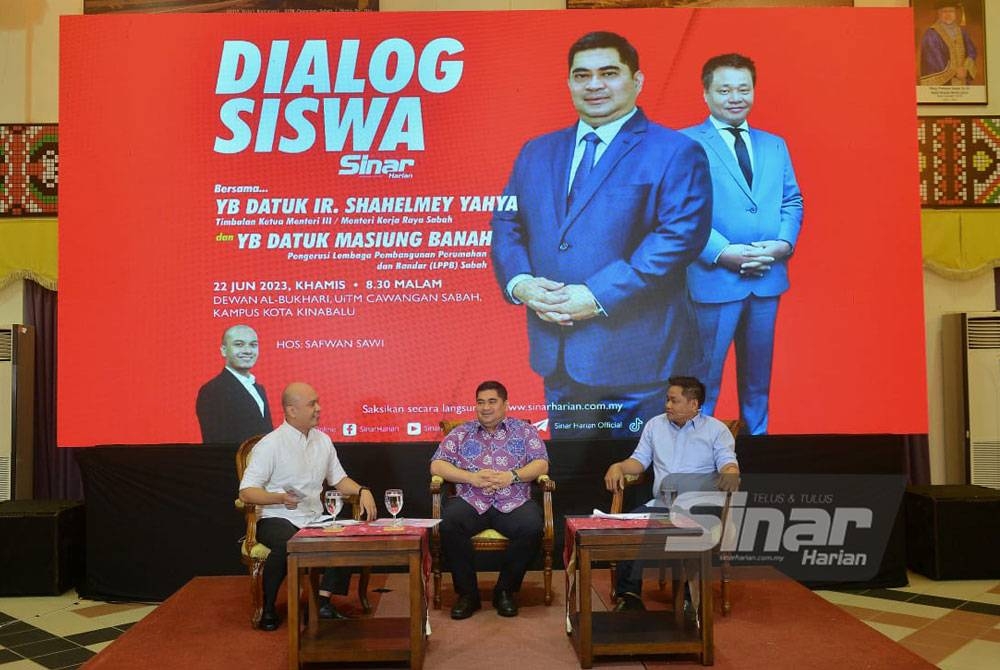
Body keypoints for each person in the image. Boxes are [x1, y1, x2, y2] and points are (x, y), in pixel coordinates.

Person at [490, 31, 712, 439]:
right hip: (558, 355)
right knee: (573, 488)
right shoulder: (535, 152)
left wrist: (594, 296)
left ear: (637, 81)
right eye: (582, 75)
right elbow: (507, 224)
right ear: (569, 83)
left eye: (609, 73)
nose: (594, 85)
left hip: (642, 364)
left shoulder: (676, 151)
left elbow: (679, 238)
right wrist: (522, 285)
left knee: (643, 492)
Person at [681, 53, 803, 436]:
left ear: (753, 90)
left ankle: (759, 455)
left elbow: (791, 201)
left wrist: (782, 244)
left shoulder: (774, 145)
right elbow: (679, 211)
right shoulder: (684, 143)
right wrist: (723, 252)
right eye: (724, 89)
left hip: (767, 278)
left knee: (758, 382)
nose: (735, 97)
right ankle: (694, 461)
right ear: (706, 94)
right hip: (713, 280)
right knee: (703, 385)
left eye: (743, 88)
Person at [238, 382, 377, 631]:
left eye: (318, 402)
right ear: (291, 411)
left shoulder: (322, 441)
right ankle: (268, 609)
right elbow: (247, 491)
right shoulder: (270, 445)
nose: (319, 409)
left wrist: (362, 490)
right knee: (289, 542)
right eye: (312, 404)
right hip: (276, 517)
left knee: (348, 537)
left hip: (314, 518)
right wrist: (279, 498)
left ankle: (322, 603)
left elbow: (339, 479)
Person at [603, 376, 739, 613]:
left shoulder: (716, 430)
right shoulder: (655, 425)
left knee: (695, 527)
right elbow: (639, 461)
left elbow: (728, 463)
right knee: (628, 529)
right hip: (662, 504)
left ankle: (689, 598)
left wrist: (730, 473)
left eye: (673, 401)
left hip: (699, 504)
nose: (667, 405)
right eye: (667, 400)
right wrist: (619, 467)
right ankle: (630, 595)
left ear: (694, 404)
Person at [430, 381, 549, 619]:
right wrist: (470, 477)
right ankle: (468, 595)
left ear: (505, 404)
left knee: (533, 526)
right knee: (449, 521)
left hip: (512, 500)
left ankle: (505, 590)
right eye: (480, 402)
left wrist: (512, 476)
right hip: (471, 500)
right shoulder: (461, 432)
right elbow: (437, 464)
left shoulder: (524, 431)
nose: (485, 408)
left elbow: (541, 463)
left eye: (492, 401)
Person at [196, 324, 273, 444]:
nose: (248, 351)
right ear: (223, 350)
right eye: (239, 344)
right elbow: (216, 442)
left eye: (253, 345)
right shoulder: (212, 391)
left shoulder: (259, 388)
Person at [920, 2, 978, 86]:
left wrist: (965, 69)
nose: (948, 15)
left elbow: (971, 51)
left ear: (955, 13)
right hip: (943, 84)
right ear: (938, 13)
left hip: (963, 80)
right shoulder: (931, 34)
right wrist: (954, 72)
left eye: (951, 11)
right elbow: (932, 59)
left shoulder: (961, 31)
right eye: (944, 11)